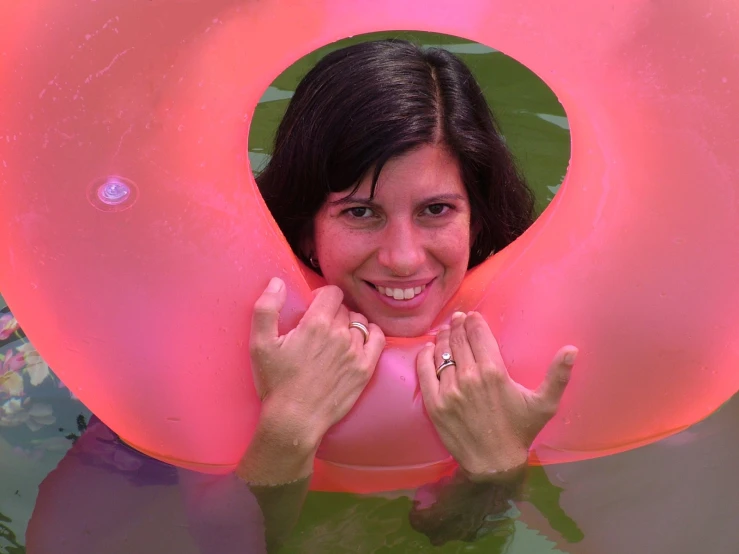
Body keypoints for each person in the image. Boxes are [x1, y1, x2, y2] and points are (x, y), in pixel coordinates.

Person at [237, 38, 578, 550]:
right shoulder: (225, 334)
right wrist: (287, 427)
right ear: (305, 228)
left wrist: (497, 469)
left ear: (477, 220)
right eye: (360, 212)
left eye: (436, 210)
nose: (404, 257)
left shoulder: (550, 349)